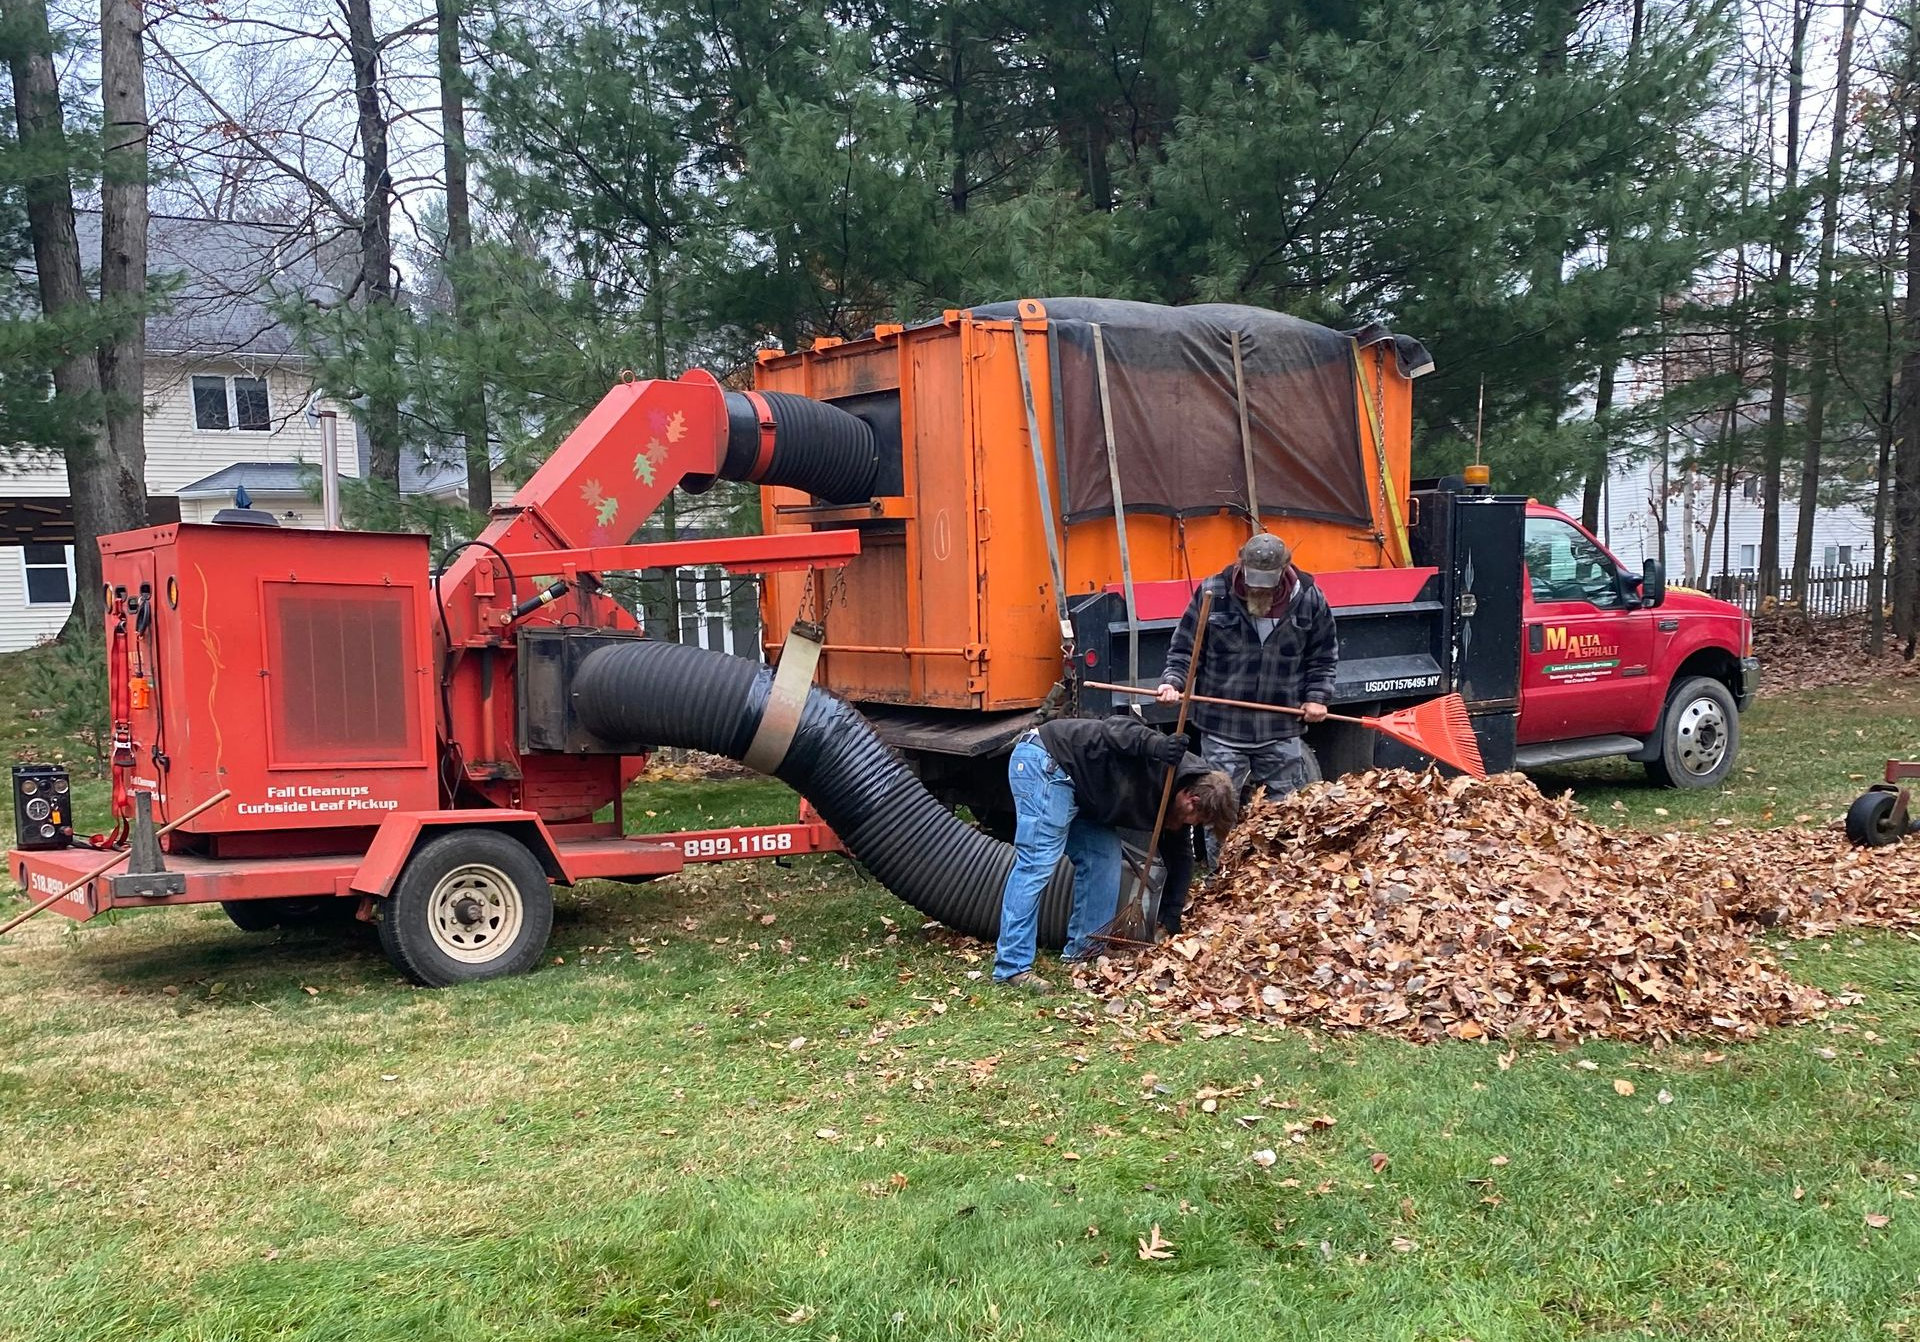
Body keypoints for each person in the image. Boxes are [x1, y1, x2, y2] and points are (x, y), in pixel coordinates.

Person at [993, 717, 1238, 992]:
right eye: (1195, 819)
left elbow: (1181, 858)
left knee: (1104, 857)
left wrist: (1170, 918)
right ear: (1191, 800)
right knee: (1036, 865)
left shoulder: (1178, 801)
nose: (1189, 825)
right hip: (1048, 764)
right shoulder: (1166, 761)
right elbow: (1115, 728)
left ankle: (1084, 952)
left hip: (1079, 789)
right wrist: (1158, 746)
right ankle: (1012, 967)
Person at [1155, 532, 1338, 863]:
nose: (1259, 590)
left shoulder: (1309, 597)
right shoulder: (1214, 592)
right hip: (1223, 728)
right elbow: (1184, 649)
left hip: (1280, 727)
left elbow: (1323, 657)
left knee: (1285, 811)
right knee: (1218, 813)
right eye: (1254, 581)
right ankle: (1220, 882)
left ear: (1284, 570)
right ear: (1241, 563)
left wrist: (1318, 696)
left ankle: (1280, 882)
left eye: (1267, 584)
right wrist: (1173, 681)